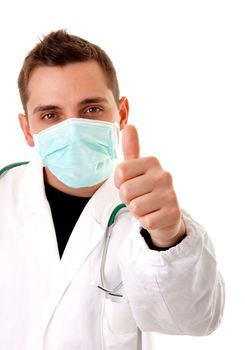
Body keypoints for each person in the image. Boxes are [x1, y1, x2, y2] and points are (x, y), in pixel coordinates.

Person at [0, 29, 225, 350]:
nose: (73, 128)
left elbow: (195, 320)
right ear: (27, 129)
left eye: (91, 109)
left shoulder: (150, 213)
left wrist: (168, 237)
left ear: (120, 114)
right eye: (51, 115)